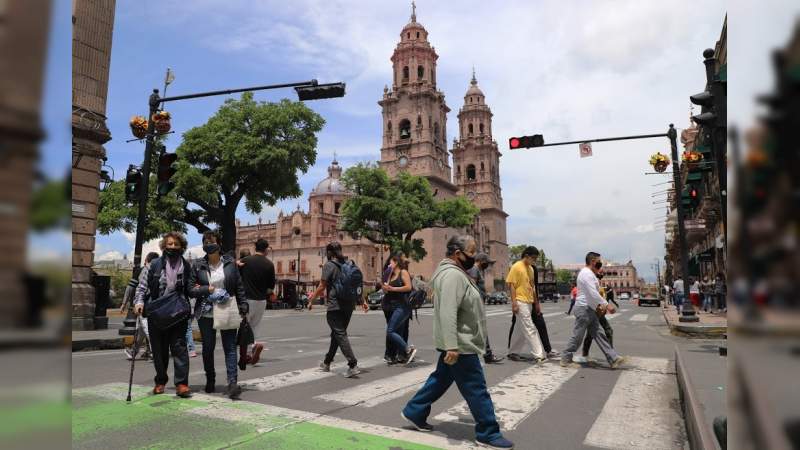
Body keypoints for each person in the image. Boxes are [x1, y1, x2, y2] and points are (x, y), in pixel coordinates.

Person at [401, 235, 514, 450]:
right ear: (457, 253)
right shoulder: (453, 275)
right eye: (471, 252)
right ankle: (488, 432)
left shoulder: (457, 273)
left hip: (458, 342)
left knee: (441, 378)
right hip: (460, 344)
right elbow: (448, 312)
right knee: (476, 388)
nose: (474, 255)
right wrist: (452, 345)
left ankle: (414, 410)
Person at [133, 232, 194, 397]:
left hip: (177, 314)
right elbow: (142, 287)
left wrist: (192, 309)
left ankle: (181, 384)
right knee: (159, 351)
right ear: (164, 246)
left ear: (182, 247)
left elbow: (190, 290)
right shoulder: (154, 265)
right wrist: (139, 303)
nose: (173, 247)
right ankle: (160, 381)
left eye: (176, 244)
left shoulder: (186, 266)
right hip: (157, 313)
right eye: (170, 244)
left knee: (180, 349)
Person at [189, 230, 249, 399]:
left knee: (230, 347)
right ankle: (210, 379)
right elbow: (190, 288)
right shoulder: (197, 264)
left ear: (219, 244)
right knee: (208, 348)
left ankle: (232, 382)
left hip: (227, 308)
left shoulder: (230, 263)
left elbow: (239, 286)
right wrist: (204, 289)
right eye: (205, 242)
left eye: (212, 241)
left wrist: (243, 304)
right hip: (206, 310)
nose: (208, 245)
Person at [308, 241, 367, 378]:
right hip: (349, 304)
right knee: (337, 334)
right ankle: (327, 362)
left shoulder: (329, 265)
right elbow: (356, 284)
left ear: (329, 253)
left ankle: (353, 364)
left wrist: (311, 300)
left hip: (335, 305)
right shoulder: (348, 264)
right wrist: (363, 301)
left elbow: (322, 286)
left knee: (340, 334)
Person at [561, 252, 626, 369]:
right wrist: (606, 305)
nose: (600, 265)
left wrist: (598, 307)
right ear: (592, 262)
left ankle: (613, 358)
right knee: (578, 336)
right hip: (583, 309)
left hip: (590, 309)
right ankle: (566, 358)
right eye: (599, 262)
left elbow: (591, 295)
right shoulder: (586, 274)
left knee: (600, 334)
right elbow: (593, 293)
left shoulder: (590, 274)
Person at [238, 238, 275, 365]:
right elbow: (271, 286)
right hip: (261, 300)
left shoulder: (245, 261)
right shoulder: (269, 264)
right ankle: (251, 349)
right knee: (255, 326)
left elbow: (235, 274)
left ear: (255, 248)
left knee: (245, 327)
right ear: (266, 249)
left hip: (247, 299)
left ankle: (251, 349)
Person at [505, 246, 545, 363]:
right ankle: (539, 354)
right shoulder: (516, 267)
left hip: (529, 301)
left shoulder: (531, 269)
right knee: (529, 327)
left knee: (520, 329)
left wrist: (536, 303)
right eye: (533, 258)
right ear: (526, 256)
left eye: (536, 259)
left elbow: (532, 287)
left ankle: (513, 352)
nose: (534, 261)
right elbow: (511, 285)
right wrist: (514, 303)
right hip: (520, 300)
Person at [467, 253, 504, 364]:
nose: (488, 264)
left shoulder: (477, 270)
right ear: (481, 260)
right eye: (486, 262)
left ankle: (486, 355)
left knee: (478, 330)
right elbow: (472, 286)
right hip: (475, 305)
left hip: (478, 304)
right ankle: (487, 355)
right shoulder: (474, 269)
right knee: (481, 330)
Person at [122, 252, 159, 361]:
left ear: (146, 260)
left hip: (144, 305)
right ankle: (134, 351)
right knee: (141, 330)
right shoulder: (159, 270)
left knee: (147, 329)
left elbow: (138, 288)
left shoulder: (145, 270)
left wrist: (126, 303)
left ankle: (154, 352)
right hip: (152, 304)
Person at [383, 257, 417, 365]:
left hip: (402, 306)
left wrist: (393, 289)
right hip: (392, 307)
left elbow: (408, 287)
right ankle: (402, 354)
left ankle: (407, 350)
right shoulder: (390, 275)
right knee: (396, 331)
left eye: (391, 262)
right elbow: (385, 290)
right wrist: (386, 282)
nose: (389, 264)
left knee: (390, 331)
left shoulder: (403, 272)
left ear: (396, 262)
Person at [577, 276, 618, 363]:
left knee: (608, 331)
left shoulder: (601, 288)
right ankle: (585, 354)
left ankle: (612, 355)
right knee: (590, 334)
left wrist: (605, 307)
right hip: (592, 313)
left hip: (600, 313)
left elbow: (603, 299)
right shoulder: (590, 287)